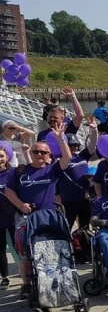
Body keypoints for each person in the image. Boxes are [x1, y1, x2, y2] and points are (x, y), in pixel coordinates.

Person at [5, 122, 72, 299]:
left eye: (43, 152)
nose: (39, 155)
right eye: (36, 151)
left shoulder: (52, 170)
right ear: (31, 153)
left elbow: (67, 158)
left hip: (48, 217)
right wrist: (20, 205)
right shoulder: (20, 171)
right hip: (25, 218)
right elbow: (8, 191)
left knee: (52, 249)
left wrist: (60, 139)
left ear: (48, 154)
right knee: (25, 253)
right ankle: (27, 284)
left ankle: (56, 280)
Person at [0, 145, 17, 289]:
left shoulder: (13, 173)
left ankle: (27, 276)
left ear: (7, 158)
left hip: (13, 217)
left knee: (19, 247)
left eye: (1, 156)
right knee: (0, 249)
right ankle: (4, 276)